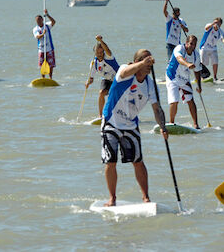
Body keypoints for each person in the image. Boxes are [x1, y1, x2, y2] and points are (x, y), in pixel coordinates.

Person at [101, 49, 168, 206]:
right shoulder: (126, 72)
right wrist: (141, 64)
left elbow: (157, 109)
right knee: (111, 161)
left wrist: (163, 127)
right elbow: (124, 72)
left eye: (149, 62)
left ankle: (146, 197)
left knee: (138, 161)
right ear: (136, 62)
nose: (148, 64)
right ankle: (113, 198)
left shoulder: (150, 85)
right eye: (144, 61)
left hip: (130, 124)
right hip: (111, 121)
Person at [166, 35, 202, 129]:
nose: (192, 46)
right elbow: (179, 59)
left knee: (191, 101)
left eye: (194, 44)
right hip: (172, 77)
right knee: (174, 101)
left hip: (184, 79)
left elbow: (197, 71)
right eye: (191, 44)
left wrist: (199, 86)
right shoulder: (179, 48)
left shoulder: (196, 55)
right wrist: (188, 64)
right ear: (186, 43)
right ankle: (171, 123)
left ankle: (196, 124)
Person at [86, 35, 120, 118]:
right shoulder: (94, 64)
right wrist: (88, 82)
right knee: (101, 93)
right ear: (95, 53)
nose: (100, 54)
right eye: (98, 53)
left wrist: (100, 41)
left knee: (114, 96)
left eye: (101, 52)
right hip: (106, 79)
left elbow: (107, 49)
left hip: (118, 78)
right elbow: (91, 78)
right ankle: (100, 115)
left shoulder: (109, 57)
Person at [32, 9, 57, 79]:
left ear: (42, 20)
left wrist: (47, 15)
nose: (38, 22)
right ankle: (43, 78)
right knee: (42, 65)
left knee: (51, 65)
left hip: (49, 48)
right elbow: (38, 36)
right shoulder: (35, 29)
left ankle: (50, 78)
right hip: (41, 49)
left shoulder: (47, 25)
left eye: (39, 20)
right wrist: (43, 33)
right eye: (37, 21)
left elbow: (54, 22)